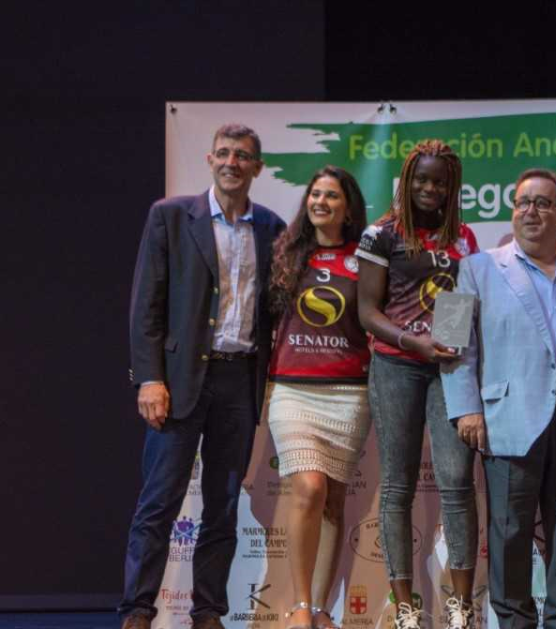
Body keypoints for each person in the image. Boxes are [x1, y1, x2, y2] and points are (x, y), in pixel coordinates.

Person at [121, 123, 287, 629]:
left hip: (240, 383)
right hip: (179, 381)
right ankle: (138, 611)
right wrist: (150, 378)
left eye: (243, 156)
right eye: (224, 153)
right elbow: (146, 305)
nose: (232, 162)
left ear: (258, 167)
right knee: (160, 502)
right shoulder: (171, 216)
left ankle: (208, 611)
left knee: (223, 505)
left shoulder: (272, 228)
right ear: (209, 159)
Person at [442, 168, 556, 629]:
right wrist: (465, 407)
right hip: (506, 411)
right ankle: (513, 621)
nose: (530, 211)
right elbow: (449, 340)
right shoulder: (474, 266)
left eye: (542, 203)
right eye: (522, 203)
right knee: (509, 527)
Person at [355, 141, 481, 629]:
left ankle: (461, 605)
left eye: (440, 182)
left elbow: (460, 300)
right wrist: (414, 342)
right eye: (421, 180)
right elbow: (368, 311)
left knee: (456, 482)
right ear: (406, 182)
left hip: (447, 368)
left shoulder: (463, 236)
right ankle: (405, 604)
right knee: (398, 485)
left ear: (452, 188)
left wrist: (445, 345)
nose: (430, 189)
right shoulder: (382, 234)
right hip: (396, 366)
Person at [266, 166, 370, 629]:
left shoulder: (366, 257)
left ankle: (323, 608)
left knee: (332, 500)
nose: (320, 202)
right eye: (314, 194)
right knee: (308, 488)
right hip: (293, 387)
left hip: (349, 392)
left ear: (347, 207)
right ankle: (300, 608)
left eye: (331, 195)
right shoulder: (287, 252)